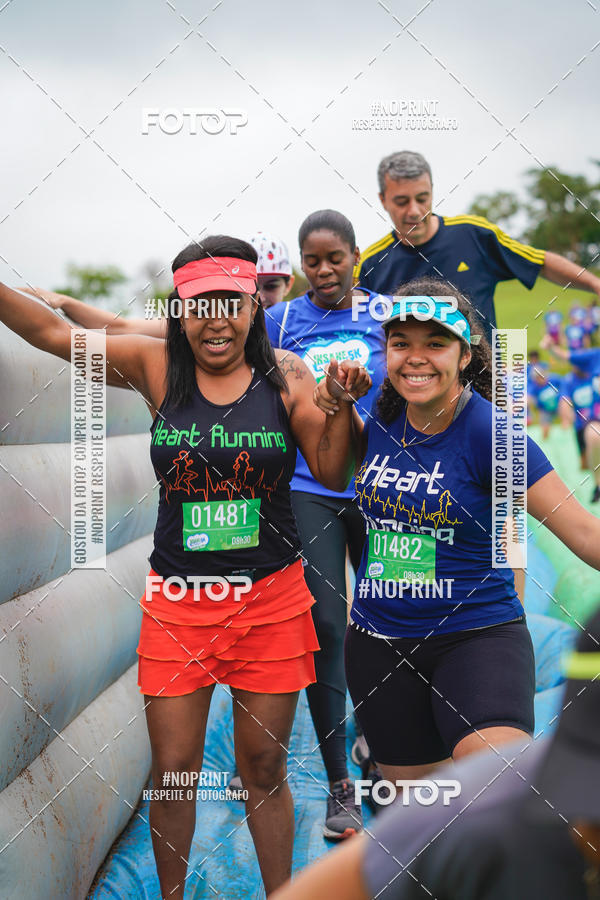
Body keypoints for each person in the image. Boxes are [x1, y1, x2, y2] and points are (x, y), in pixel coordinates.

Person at [0, 236, 370, 898]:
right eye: (200, 305)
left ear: (253, 306)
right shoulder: (155, 364)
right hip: (179, 604)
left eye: (231, 303)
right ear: (179, 310)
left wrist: (338, 407)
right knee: (173, 771)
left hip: (270, 602)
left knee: (264, 766)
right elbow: (54, 335)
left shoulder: (287, 375)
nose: (215, 320)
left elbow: (333, 469)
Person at [312, 274, 600, 795]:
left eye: (435, 343)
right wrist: (337, 405)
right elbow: (333, 477)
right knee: (422, 815)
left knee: (494, 792)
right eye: (401, 343)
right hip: (380, 646)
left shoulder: (492, 434)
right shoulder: (381, 417)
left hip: (476, 639)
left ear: (465, 355)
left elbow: (582, 532)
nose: (415, 358)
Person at [271, 607, 600, 900]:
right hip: (385, 636)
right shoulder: (484, 805)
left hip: (485, 625)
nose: (586, 826)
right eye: (583, 795)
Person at [263, 209, 387, 840]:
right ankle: (340, 783)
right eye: (311, 261)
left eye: (335, 258)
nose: (324, 270)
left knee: (385, 617)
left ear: (356, 256)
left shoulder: (386, 315)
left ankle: (382, 753)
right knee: (327, 625)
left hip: (383, 486)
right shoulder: (280, 320)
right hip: (311, 487)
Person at [355, 150, 600, 342]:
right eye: (402, 201)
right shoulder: (370, 263)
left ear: (432, 191)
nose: (415, 211)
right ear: (383, 200)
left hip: (488, 381)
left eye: (422, 198)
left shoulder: (474, 234)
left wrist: (594, 284)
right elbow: (352, 324)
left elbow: (540, 262)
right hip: (415, 387)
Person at [19, 229, 295, 333]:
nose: (262, 295)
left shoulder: (298, 326)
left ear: (289, 285)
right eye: (254, 285)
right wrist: (65, 302)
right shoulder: (201, 326)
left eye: (271, 285)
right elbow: (123, 326)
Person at [543, 335, 600, 502]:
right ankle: (598, 485)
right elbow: (564, 400)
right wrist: (565, 415)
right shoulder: (571, 379)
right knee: (587, 458)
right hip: (586, 424)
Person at [559, 363, 594, 468]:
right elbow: (564, 400)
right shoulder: (568, 380)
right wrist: (566, 418)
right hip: (580, 424)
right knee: (584, 460)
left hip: (595, 420)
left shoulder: (594, 375)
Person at [527, 362, 562, 439]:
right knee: (545, 428)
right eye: (536, 378)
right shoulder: (534, 387)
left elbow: (564, 386)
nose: (539, 379)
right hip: (545, 409)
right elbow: (528, 397)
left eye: (540, 376)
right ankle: (545, 439)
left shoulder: (554, 379)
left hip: (558, 406)